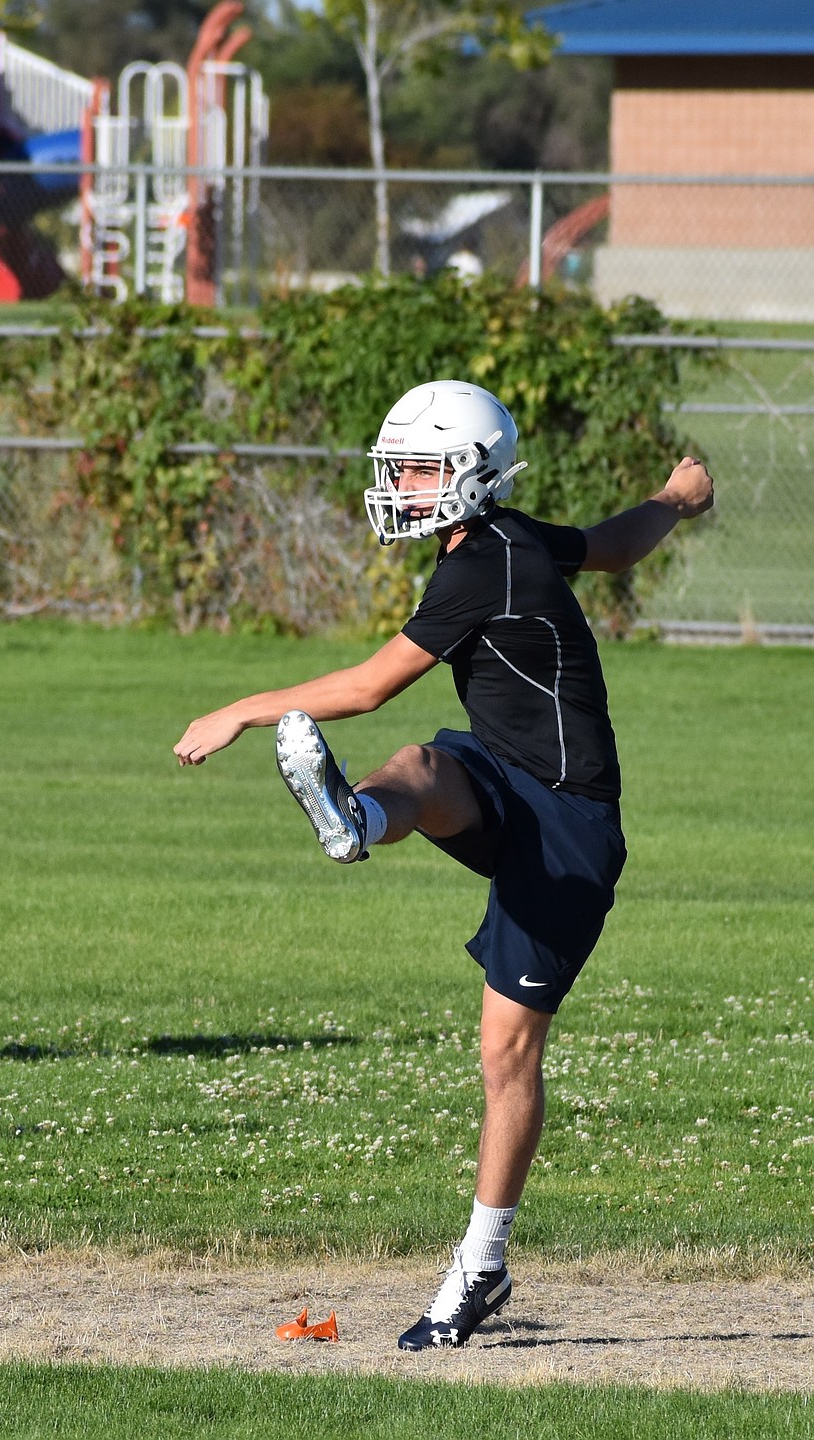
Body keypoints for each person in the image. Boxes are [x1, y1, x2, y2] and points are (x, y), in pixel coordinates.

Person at [174, 379, 715, 1350]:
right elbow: (611, 543)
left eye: (421, 468)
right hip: (500, 778)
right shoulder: (499, 544)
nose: (404, 485)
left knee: (507, 1056)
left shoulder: (486, 566)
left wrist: (243, 706)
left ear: (473, 474)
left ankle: (482, 1264)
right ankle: (353, 819)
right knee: (424, 765)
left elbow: (368, 683)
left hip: (572, 830)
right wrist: (673, 500)